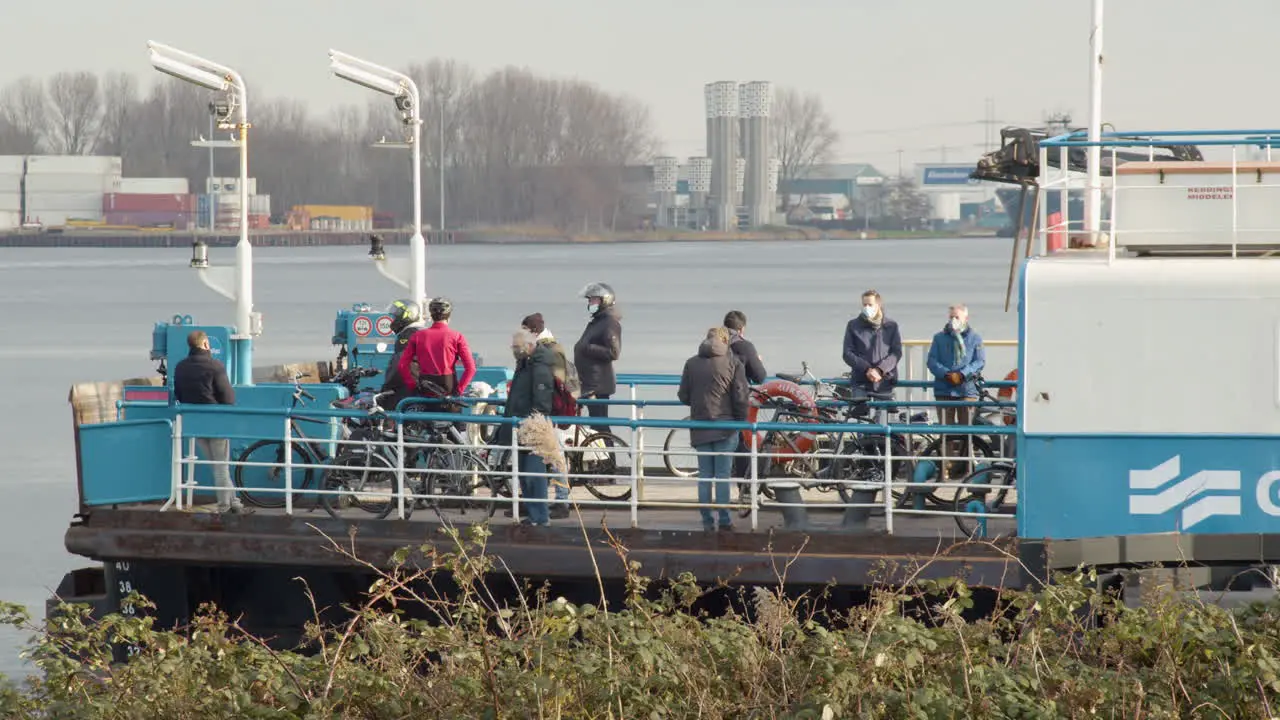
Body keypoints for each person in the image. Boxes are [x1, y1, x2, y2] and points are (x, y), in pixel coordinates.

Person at [678, 326, 750, 531]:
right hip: (726, 427)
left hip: (700, 426)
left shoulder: (691, 363)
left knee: (704, 476)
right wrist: (741, 421)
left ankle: (707, 521)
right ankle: (725, 520)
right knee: (722, 476)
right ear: (725, 341)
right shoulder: (733, 363)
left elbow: (683, 396)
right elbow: (740, 396)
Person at [172, 330, 249, 515]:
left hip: (195, 422)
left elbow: (179, 395)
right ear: (206, 344)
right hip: (216, 422)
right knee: (221, 466)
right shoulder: (215, 366)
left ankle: (235, 502)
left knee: (217, 466)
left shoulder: (180, 367)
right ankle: (225, 506)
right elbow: (229, 398)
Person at [494, 329, 557, 526]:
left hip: (532, 425)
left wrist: (533, 421)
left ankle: (540, 516)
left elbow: (542, 397)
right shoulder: (526, 362)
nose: (514, 351)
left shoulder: (539, 365)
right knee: (525, 473)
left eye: (516, 347)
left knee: (533, 473)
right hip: (520, 422)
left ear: (529, 346)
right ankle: (534, 515)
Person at [926, 303, 986, 481]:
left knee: (967, 433)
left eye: (957, 317)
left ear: (965, 319)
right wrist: (946, 374)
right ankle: (945, 469)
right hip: (944, 391)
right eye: (951, 316)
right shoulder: (939, 338)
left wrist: (962, 374)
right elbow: (931, 361)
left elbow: (979, 361)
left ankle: (967, 469)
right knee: (946, 434)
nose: (953, 320)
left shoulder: (975, 338)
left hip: (967, 391)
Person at [523, 313, 572, 519]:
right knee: (550, 455)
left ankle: (562, 500)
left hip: (550, 410)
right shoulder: (553, 348)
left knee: (554, 455)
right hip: (550, 408)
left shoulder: (546, 351)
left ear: (532, 331)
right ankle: (551, 500)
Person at [398, 297, 476, 410]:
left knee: (423, 424)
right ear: (449, 316)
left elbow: (402, 365)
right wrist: (458, 391)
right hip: (449, 391)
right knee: (455, 426)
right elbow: (471, 369)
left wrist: (413, 387)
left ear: (431, 315)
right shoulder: (457, 336)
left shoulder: (418, 336)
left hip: (425, 392)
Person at [573, 282, 622, 439]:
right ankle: (602, 459)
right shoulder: (598, 321)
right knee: (596, 425)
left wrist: (587, 347)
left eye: (593, 300)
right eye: (590, 300)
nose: (590, 303)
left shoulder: (609, 322)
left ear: (604, 300)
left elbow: (613, 352)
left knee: (600, 426)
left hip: (598, 385)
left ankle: (608, 460)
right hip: (589, 382)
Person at [723, 310, 766, 483]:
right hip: (737, 401)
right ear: (741, 329)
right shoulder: (745, 346)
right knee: (742, 441)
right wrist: (758, 360)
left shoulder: (714, 343)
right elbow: (760, 376)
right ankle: (744, 487)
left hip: (712, 404)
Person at [842, 289, 903, 404]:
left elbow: (896, 352)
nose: (866, 307)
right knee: (861, 415)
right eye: (864, 304)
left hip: (884, 381)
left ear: (878, 305)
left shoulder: (891, 326)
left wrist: (880, 370)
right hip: (860, 380)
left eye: (870, 304)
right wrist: (867, 369)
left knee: (883, 417)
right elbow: (847, 353)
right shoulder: (853, 325)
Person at [378, 298, 425, 412]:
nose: (393, 321)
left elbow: (399, 364)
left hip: (409, 389)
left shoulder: (407, 336)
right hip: (422, 386)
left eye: (396, 317)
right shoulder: (421, 332)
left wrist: (386, 388)